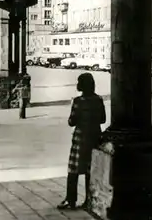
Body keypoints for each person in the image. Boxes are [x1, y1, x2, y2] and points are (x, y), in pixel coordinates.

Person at [57, 72, 106, 211]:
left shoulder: (78, 101)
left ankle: (70, 200)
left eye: (78, 82)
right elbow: (103, 119)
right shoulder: (99, 100)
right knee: (90, 170)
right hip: (95, 138)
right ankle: (89, 200)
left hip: (80, 138)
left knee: (73, 170)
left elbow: (71, 121)